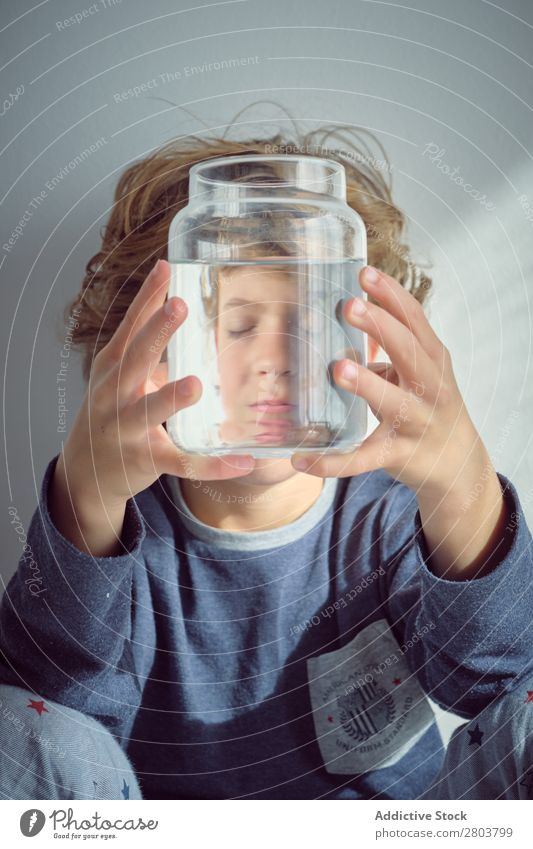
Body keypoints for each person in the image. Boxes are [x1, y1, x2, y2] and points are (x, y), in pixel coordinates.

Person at [0, 127, 532, 800]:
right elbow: (52, 709)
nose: (276, 359)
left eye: (309, 327)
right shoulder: (125, 535)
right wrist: (85, 497)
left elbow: (503, 679)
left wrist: (462, 485)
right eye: (240, 324)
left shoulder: (389, 517)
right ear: (153, 350)